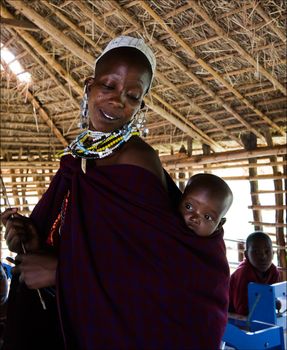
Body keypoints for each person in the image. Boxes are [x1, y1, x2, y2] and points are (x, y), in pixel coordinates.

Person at [1, 36, 230, 350]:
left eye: (132, 95)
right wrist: (35, 239)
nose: (117, 100)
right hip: (70, 319)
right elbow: (86, 238)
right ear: (89, 86)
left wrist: (63, 273)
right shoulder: (82, 154)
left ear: (141, 105)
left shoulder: (136, 160)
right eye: (108, 86)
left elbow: (163, 270)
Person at [229, 231, 281, 316]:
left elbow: (271, 297)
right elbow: (241, 310)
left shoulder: (273, 272)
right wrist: (269, 304)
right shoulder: (243, 274)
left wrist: (275, 302)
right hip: (231, 319)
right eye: (256, 252)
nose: (263, 256)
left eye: (267, 251)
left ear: (273, 253)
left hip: (256, 315)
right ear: (246, 255)